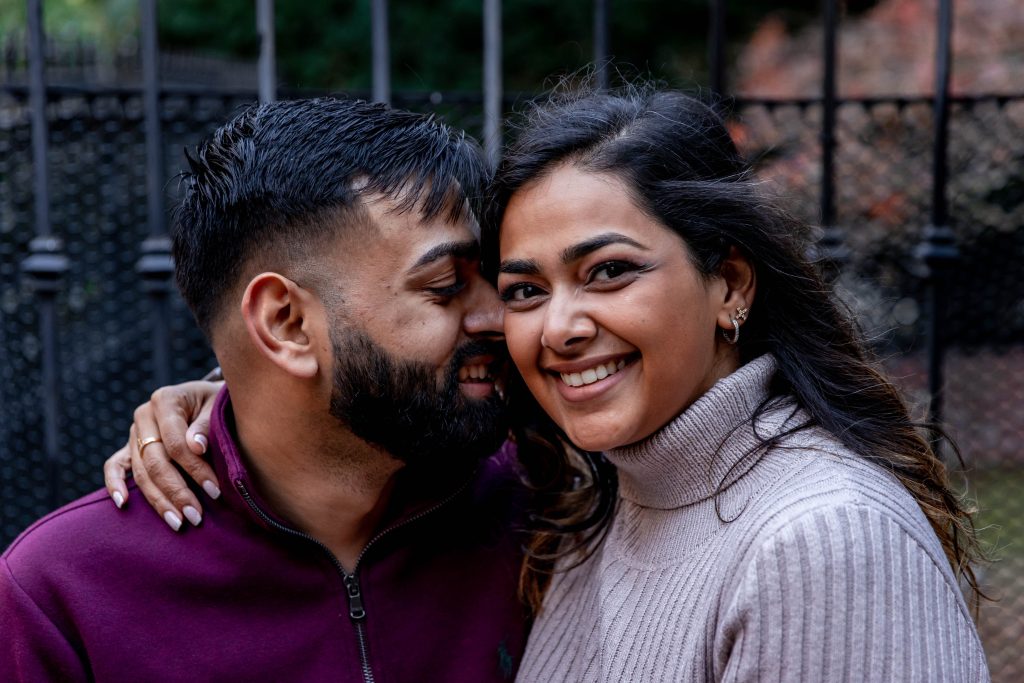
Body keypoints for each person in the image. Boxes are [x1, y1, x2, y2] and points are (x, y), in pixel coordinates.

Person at [105, 86, 989, 682]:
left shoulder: (821, 539)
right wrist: (232, 401)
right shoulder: (582, 504)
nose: (550, 326)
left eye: (607, 272)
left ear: (731, 283)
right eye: (523, 288)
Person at [1, 98, 528, 682]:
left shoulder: (546, 509)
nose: (499, 318)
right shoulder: (61, 593)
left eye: (496, 278)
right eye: (447, 285)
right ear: (287, 324)